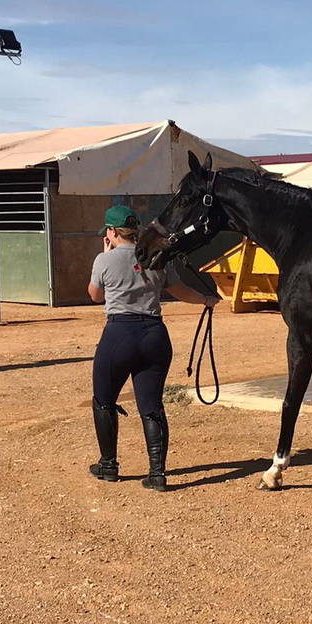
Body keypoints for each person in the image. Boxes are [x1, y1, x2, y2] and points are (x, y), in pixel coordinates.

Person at [87, 204, 220, 491]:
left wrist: (107, 256)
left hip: (119, 333)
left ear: (111, 232)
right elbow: (180, 290)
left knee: (104, 399)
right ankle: (157, 473)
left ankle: (108, 465)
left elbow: (95, 296)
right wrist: (206, 300)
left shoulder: (104, 259)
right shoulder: (156, 256)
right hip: (154, 335)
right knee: (152, 407)